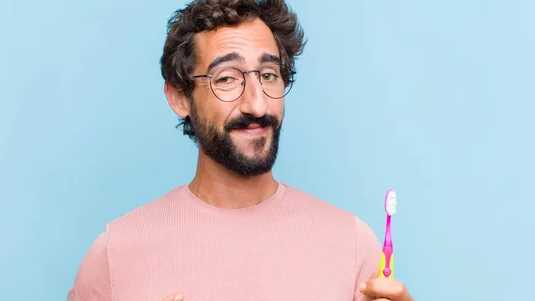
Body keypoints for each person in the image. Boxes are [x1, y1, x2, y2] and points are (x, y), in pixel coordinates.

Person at [67, 0, 415, 300]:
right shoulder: (114, 254)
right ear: (179, 97)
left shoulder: (353, 245)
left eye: (268, 75)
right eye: (226, 78)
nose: (257, 104)